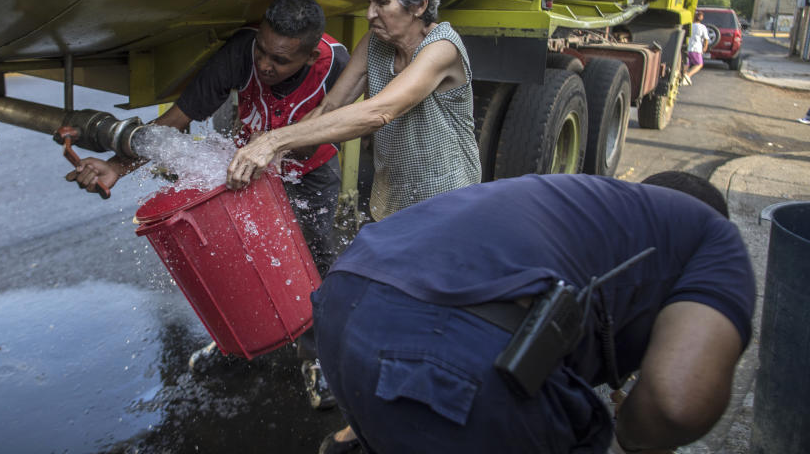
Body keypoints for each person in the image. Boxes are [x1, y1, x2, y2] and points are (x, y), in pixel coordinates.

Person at [227, 0, 482, 452]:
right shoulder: (377, 42)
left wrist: (273, 141)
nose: (370, 13)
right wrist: (274, 156)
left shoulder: (442, 49)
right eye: (370, 0)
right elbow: (334, 105)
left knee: (426, 323)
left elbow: (376, 113)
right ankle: (378, 420)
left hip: (448, 208)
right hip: (393, 203)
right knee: (383, 316)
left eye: (382, 2)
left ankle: (435, 425)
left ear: (417, 3)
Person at [311, 171, 756, 454]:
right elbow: (677, 406)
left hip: (341, 304)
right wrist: (631, 436)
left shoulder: (586, 204)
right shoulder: (715, 238)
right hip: (443, 357)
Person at [65, 0, 349, 408]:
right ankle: (245, 339)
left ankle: (322, 356)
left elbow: (343, 124)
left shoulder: (337, 67)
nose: (266, 65)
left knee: (313, 262)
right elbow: (173, 123)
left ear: (308, 58)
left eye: (281, 60)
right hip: (245, 168)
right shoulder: (240, 53)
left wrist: (281, 147)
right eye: (263, 52)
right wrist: (117, 168)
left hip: (307, 173)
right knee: (239, 257)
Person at [683, 10, 710, 85]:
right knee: (699, 64)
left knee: (686, 64)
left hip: (687, 47)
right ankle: (688, 75)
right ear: (701, 18)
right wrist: (705, 48)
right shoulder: (702, 27)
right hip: (696, 48)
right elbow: (706, 39)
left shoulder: (690, 25)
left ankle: (682, 77)